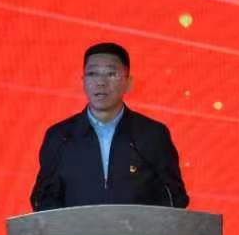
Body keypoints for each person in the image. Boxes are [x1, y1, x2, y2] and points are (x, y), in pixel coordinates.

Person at [31, 42, 189, 211]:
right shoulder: (60, 136)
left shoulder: (152, 134)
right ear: (83, 81)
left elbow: (175, 198)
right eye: (92, 74)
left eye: (111, 74)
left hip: (137, 228)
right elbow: (43, 199)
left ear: (128, 82)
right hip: (76, 229)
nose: (101, 82)